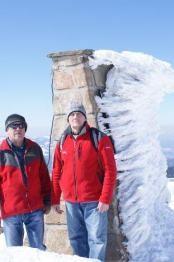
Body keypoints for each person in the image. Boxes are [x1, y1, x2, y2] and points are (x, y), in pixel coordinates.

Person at [52, 101, 117, 261]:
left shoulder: (98, 138)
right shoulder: (62, 141)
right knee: (76, 239)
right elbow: (55, 172)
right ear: (68, 119)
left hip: (94, 202)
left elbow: (111, 170)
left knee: (97, 240)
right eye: (72, 114)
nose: (75, 117)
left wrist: (105, 198)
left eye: (79, 114)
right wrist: (55, 198)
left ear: (84, 118)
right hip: (71, 203)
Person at [0, 114, 51, 250]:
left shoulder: (34, 148)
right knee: (14, 253)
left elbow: (44, 178)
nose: (18, 129)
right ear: (7, 130)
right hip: (11, 212)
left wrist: (47, 201)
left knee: (38, 250)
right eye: (13, 126)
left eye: (21, 126)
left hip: (35, 210)